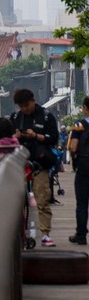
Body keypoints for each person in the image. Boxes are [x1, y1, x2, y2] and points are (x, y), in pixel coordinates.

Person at [11, 87, 60, 246]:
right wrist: (16, 137)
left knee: (42, 198)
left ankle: (45, 233)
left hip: (40, 162)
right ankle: (19, 233)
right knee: (18, 200)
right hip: (21, 162)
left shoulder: (46, 117)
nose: (24, 109)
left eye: (26, 105)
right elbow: (8, 139)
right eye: (21, 106)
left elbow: (53, 138)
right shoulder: (16, 117)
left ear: (33, 100)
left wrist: (36, 136)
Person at [66, 97, 89, 246]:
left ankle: (81, 235)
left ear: (85, 108)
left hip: (84, 165)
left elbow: (73, 147)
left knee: (82, 203)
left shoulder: (79, 125)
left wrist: (73, 158)